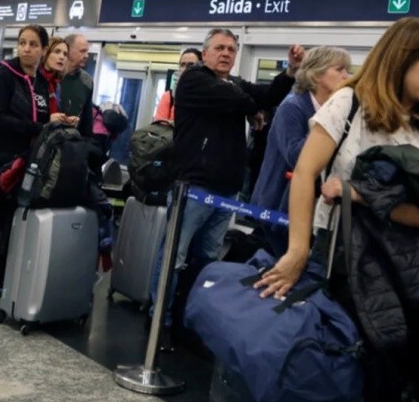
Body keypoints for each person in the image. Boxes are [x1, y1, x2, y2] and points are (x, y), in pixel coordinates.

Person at [255, 17, 419, 299]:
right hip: (338, 246)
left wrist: (360, 196)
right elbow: (304, 172)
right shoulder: (349, 102)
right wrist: (297, 251)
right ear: (401, 55)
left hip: (404, 257)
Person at [148, 27, 304, 345]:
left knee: (206, 260)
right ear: (205, 53)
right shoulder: (193, 78)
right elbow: (235, 99)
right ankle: (157, 321)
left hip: (226, 191)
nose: (226, 54)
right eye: (219, 48)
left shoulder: (233, 84)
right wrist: (253, 109)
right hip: (194, 187)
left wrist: (290, 73)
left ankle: (187, 318)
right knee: (173, 258)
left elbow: (267, 95)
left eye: (231, 49)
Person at [0, 25, 72, 319]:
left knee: (12, 231)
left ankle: (1, 284)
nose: (27, 49)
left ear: (42, 49)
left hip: (25, 165)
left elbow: (42, 119)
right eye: (22, 43)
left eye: (33, 44)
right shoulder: (6, 74)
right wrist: (38, 127)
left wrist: (56, 121)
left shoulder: (43, 85)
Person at [250, 45, 351, 257]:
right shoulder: (293, 107)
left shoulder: (336, 111)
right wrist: (326, 121)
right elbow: (296, 157)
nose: (346, 76)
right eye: (340, 69)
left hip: (306, 209)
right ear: (316, 74)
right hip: (277, 208)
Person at [59, 33, 93, 138]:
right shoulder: (52, 74)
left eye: (87, 52)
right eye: (82, 51)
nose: (86, 56)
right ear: (68, 51)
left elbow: (87, 119)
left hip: (70, 141)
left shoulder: (87, 81)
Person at [153, 48, 202, 121]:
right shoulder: (169, 97)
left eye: (191, 65)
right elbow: (160, 127)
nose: (185, 69)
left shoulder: (207, 96)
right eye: (183, 65)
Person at [37, 36, 69, 113]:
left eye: (65, 54)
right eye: (57, 52)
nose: (62, 57)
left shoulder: (56, 85)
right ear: (46, 53)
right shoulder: (34, 78)